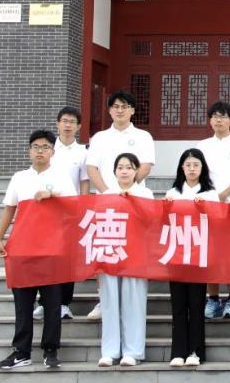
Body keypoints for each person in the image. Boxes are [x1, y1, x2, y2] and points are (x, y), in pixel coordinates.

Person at [0, 129, 76, 370]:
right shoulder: (20, 177)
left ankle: (51, 349)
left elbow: (73, 206)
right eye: (35, 147)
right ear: (29, 151)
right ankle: (21, 351)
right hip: (22, 249)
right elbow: (9, 208)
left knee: (52, 303)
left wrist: (51, 194)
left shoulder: (61, 176)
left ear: (53, 151)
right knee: (23, 304)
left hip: (52, 250)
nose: (40, 151)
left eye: (45, 147)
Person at [84, 91, 155, 320]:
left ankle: (132, 298)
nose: (120, 110)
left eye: (124, 106)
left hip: (134, 202)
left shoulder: (143, 136)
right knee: (105, 249)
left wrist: (128, 190)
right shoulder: (100, 137)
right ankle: (103, 299)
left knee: (132, 247)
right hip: (106, 204)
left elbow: (146, 166)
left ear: (133, 110)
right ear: (109, 110)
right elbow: (92, 168)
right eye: (115, 106)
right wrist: (109, 193)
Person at [196, 101, 230, 320]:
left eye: (223, 116)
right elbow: (197, 173)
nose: (218, 120)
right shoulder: (202, 146)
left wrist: (224, 193)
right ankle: (212, 298)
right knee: (211, 253)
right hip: (208, 205)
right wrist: (211, 196)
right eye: (214, 116)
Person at [163, 149, 218, 367]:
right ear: (182, 168)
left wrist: (206, 208)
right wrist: (166, 207)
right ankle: (178, 351)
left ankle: (195, 351)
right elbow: (163, 222)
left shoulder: (210, 194)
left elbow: (218, 221)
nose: (192, 169)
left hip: (198, 255)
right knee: (178, 306)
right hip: (176, 254)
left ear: (202, 168)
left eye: (196, 165)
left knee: (196, 304)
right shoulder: (173, 192)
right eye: (188, 165)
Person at [97, 153, 153, 367]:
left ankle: (133, 351)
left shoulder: (145, 193)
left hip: (135, 254)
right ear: (114, 171)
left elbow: (151, 221)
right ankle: (110, 351)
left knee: (134, 302)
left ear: (136, 171)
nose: (124, 171)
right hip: (111, 252)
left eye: (129, 167)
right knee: (109, 302)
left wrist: (133, 202)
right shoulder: (106, 194)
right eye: (120, 167)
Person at [34, 107, 88, 322]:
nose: (67, 125)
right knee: (45, 258)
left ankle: (64, 304)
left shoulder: (82, 152)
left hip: (70, 212)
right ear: (57, 123)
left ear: (79, 126)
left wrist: (82, 209)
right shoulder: (48, 148)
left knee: (67, 259)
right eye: (64, 121)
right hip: (47, 212)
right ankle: (43, 303)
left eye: (72, 122)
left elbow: (84, 183)